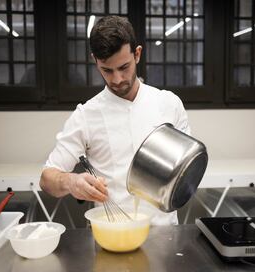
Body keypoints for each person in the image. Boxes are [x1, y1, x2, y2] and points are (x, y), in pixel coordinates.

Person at [40, 15, 190, 225]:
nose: (117, 79)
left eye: (123, 67)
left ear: (137, 54)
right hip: (112, 235)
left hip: (164, 233)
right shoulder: (86, 115)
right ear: (95, 60)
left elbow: (185, 168)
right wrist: (70, 181)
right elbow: (47, 179)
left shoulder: (169, 104)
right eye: (107, 70)